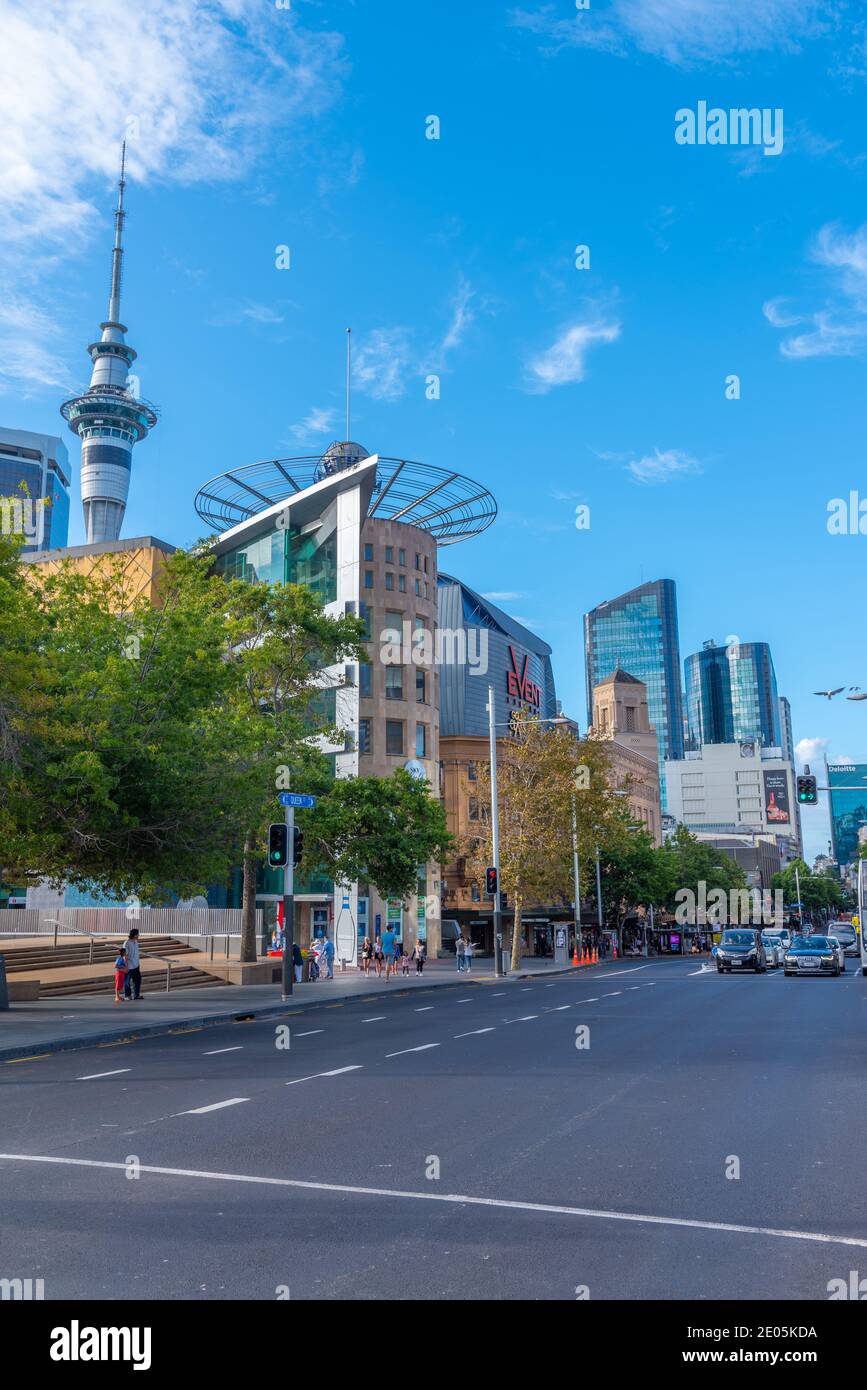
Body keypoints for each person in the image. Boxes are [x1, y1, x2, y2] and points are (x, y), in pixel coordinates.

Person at [123, 927, 142, 1000]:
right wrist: (126, 966)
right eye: (138, 935)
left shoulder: (136, 942)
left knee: (137, 981)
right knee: (127, 982)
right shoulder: (126, 943)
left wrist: (138, 963)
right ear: (134, 935)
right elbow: (125, 955)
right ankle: (127, 995)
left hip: (136, 965)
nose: (139, 936)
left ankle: (136, 995)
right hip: (129, 966)